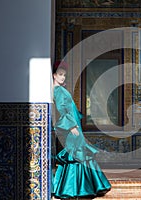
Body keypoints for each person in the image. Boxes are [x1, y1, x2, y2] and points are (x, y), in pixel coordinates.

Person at [51, 61, 111, 199]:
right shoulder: (58, 90)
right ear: (54, 75)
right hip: (72, 127)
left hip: (73, 126)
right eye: (60, 75)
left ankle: (81, 187)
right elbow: (62, 109)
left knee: (79, 154)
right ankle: (77, 189)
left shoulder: (58, 89)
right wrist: (71, 126)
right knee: (76, 154)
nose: (63, 77)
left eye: (64, 75)